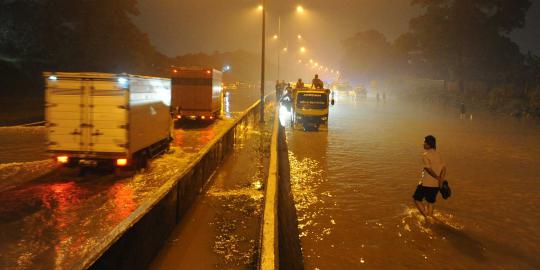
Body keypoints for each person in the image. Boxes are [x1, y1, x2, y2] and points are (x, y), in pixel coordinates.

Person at [413, 135, 446, 220]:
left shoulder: (425, 155)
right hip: (436, 184)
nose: (423, 144)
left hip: (426, 183)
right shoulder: (438, 154)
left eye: (424, 142)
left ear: (428, 144)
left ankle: (425, 216)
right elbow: (443, 169)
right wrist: (440, 181)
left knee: (416, 198)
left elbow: (428, 168)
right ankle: (431, 217)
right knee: (430, 201)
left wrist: (435, 176)